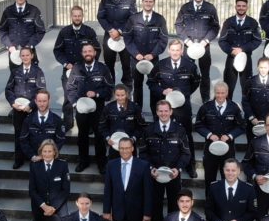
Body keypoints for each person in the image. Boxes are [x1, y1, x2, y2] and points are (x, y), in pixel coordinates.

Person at [147, 39, 199, 178]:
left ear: (182, 51)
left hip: (183, 108)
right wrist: (162, 91)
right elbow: (150, 82)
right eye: (173, 50)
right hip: (164, 108)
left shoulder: (190, 66)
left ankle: (190, 165)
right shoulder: (160, 65)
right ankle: (161, 166)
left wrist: (182, 94)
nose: (175, 52)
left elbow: (195, 82)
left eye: (178, 50)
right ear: (169, 51)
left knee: (186, 136)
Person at [140, 100, 191, 221]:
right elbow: (143, 153)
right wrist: (151, 168)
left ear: (171, 112)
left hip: (173, 174)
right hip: (155, 174)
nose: (163, 113)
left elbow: (186, 153)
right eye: (160, 111)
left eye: (166, 111)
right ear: (156, 112)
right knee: (156, 201)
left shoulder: (180, 130)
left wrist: (178, 169)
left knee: (174, 202)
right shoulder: (149, 130)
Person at [66, 44, 113, 173]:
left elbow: (109, 90)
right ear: (82, 54)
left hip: (98, 109)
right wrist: (76, 104)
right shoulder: (76, 68)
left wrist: (97, 94)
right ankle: (83, 161)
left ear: (95, 53)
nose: (88, 53)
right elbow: (70, 89)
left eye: (90, 51)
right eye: (85, 51)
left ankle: (101, 163)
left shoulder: (103, 69)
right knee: (82, 136)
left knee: (99, 136)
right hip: (81, 108)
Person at [54, 5, 102, 130]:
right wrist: (66, 63)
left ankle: (89, 125)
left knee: (87, 97)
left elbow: (97, 49)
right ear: (71, 16)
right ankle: (68, 123)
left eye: (79, 15)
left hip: (86, 71)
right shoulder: (64, 32)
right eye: (74, 15)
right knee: (68, 97)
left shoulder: (89, 32)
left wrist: (89, 64)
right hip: (69, 70)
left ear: (82, 16)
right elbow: (57, 51)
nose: (77, 18)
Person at [174, 0, 220, 101]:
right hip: (189, 46)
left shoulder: (210, 8)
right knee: (186, 74)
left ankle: (205, 101)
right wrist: (186, 40)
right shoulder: (185, 7)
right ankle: (185, 99)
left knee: (205, 75)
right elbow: (178, 25)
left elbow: (215, 27)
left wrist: (205, 41)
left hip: (204, 46)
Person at [194, 81, 245, 186]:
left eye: (223, 93)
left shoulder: (234, 107)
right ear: (214, 93)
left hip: (228, 150)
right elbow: (198, 125)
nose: (220, 95)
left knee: (228, 178)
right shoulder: (206, 107)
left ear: (227, 93)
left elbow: (242, 126)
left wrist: (230, 136)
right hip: (210, 149)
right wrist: (209, 135)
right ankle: (210, 201)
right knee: (209, 178)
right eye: (218, 93)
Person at [124, 0, 169, 108]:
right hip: (136, 59)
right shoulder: (133, 19)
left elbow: (163, 40)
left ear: (154, 3)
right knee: (137, 86)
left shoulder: (159, 19)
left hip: (152, 59)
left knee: (154, 86)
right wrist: (135, 53)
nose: (148, 4)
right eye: (146, 1)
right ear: (142, 2)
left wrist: (153, 54)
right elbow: (128, 38)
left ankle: (155, 113)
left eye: (150, 1)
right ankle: (138, 112)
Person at [4, 47, 47, 169]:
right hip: (18, 109)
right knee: (18, 134)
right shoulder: (15, 71)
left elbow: (41, 91)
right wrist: (12, 103)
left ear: (32, 56)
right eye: (23, 55)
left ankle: (34, 157)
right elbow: (8, 89)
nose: (25, 57)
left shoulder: (38, 71)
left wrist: (31, 105)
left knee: (34, 134)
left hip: (32, 109)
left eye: (27, 55)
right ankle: (19, 159)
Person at [218, 0, 262, 100]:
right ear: (235, 7)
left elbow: (257, 40)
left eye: (243, 6)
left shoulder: (253, 23)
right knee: (228, 86)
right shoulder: (228, 22)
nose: (241, 8)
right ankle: (228, 109)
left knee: (247, 87)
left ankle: (247, 112)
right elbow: (222, 40)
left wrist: (242, 49)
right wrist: (231, 51)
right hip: (231, 57)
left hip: (246, 58)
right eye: (239, 6)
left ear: (247, 7)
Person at [97, 0, 137, 87]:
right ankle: (110, 88)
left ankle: (127, 89)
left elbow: (132, 19)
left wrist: (119, 31)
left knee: (126, 65)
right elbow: (100, 16)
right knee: (109, 64)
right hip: (109, 35)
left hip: (125, 36)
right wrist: (110, 30)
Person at [0, 0, 46, 69]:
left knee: (32, 77)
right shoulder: (8, 11)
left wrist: (30, 45)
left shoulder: (34, 11)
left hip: (29, 51)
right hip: (14, 51)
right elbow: (2, 30)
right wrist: (9, 46)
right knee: (15, 78)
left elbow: (40, 31)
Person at [98, 84, 146, 161]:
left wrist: (133, 138)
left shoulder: (135, 108)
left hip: (129, 146)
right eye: (117, 95)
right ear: (114, 95)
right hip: (114, 145)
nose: (120, 98)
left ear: (127, 94)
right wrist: (107, 138)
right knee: (114, 168)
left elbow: (141, 126)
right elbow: (102, 126)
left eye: (122, 95)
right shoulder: (108, 108)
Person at [242, 57, 269, 143]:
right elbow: (245, 101)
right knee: (251, 145)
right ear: (257, 67)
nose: (263, 70)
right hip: (253, 121)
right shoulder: (250, 82)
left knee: (267, 145)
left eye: (265, 67)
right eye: (261, 67)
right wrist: (251, 117)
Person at [20, 90, 67, 164]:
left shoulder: (57, 121)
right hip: (34, 161)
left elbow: (60, 140)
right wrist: (32, 156)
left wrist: (49, 155)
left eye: (44, 101)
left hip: (51, 160)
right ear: (35, 101)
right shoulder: (28, 120)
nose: (42, 104)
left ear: (49, 101)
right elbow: (23, 140)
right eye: (39, 101)